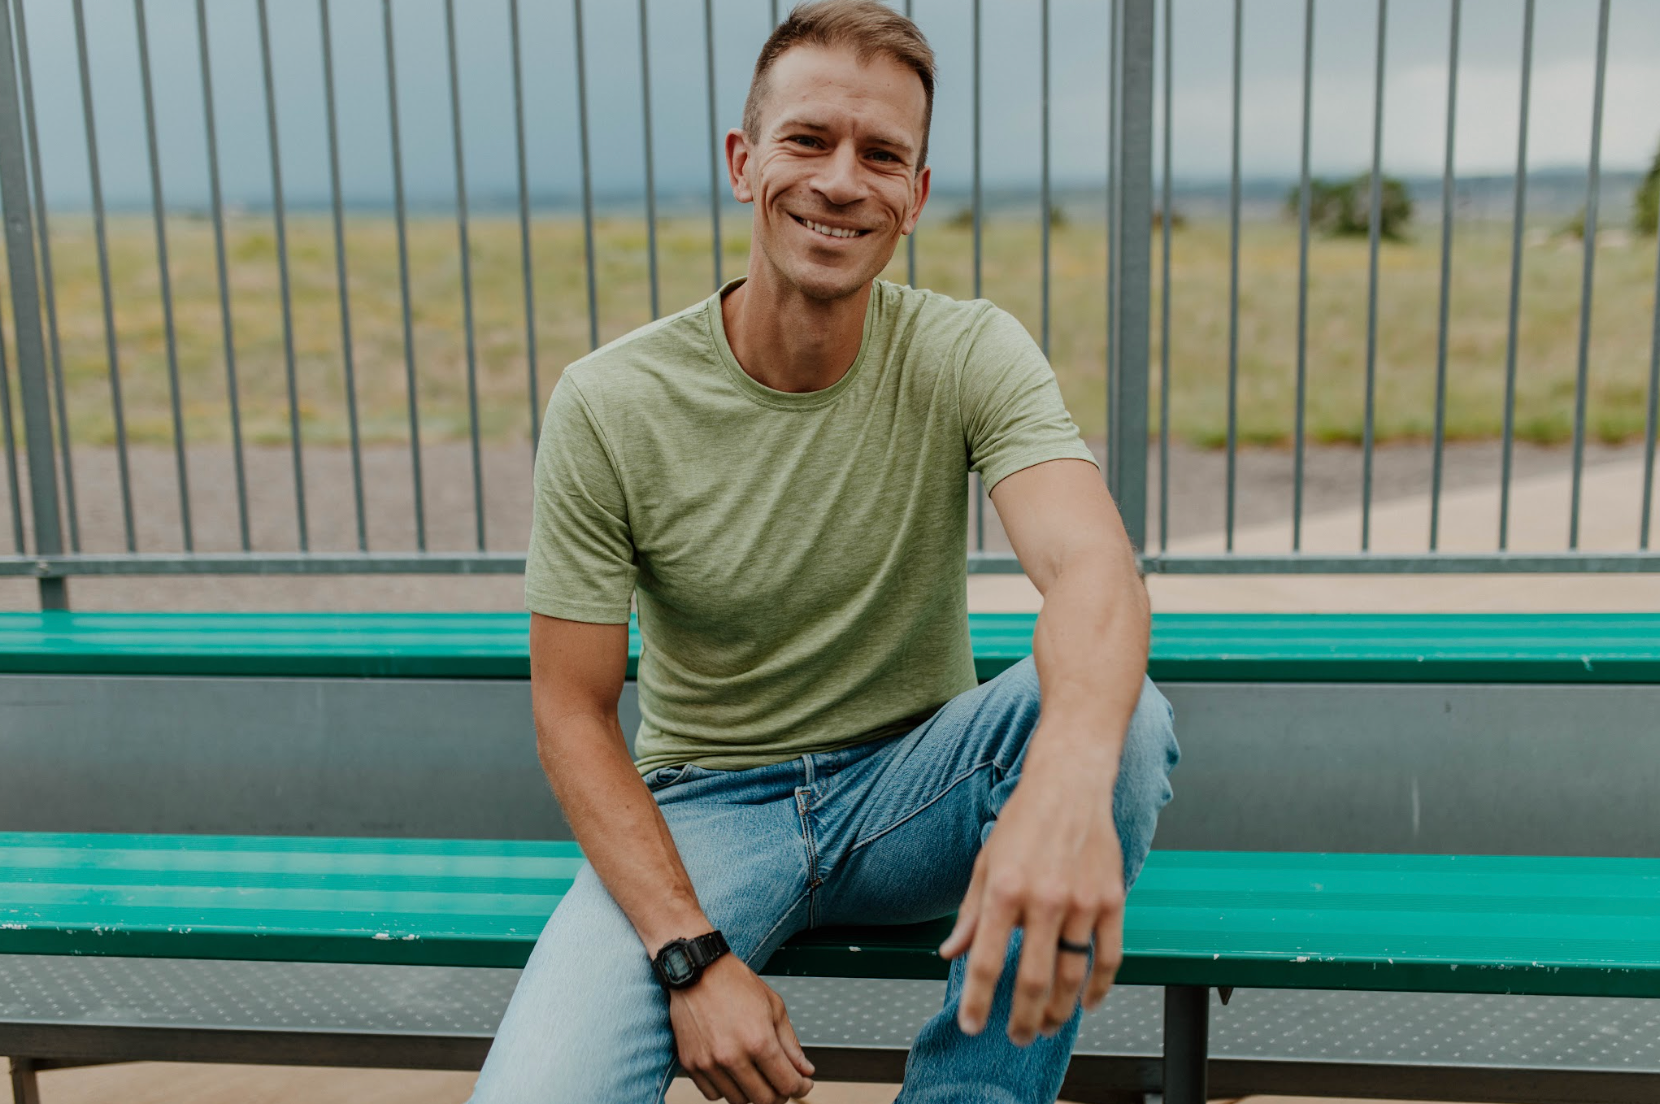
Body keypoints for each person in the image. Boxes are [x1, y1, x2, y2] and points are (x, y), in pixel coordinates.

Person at [469, 2, 1177, 1101]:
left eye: (881, 154)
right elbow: (571, 709)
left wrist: (1064, 792)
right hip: (707, 811)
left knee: (1112, 717)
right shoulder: (611, 402)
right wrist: (690, 957)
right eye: (808, 141)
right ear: (743, 163)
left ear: (915, 196)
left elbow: (1094, 574)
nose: (843, 181)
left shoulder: (965, 349)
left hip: (912, 789)